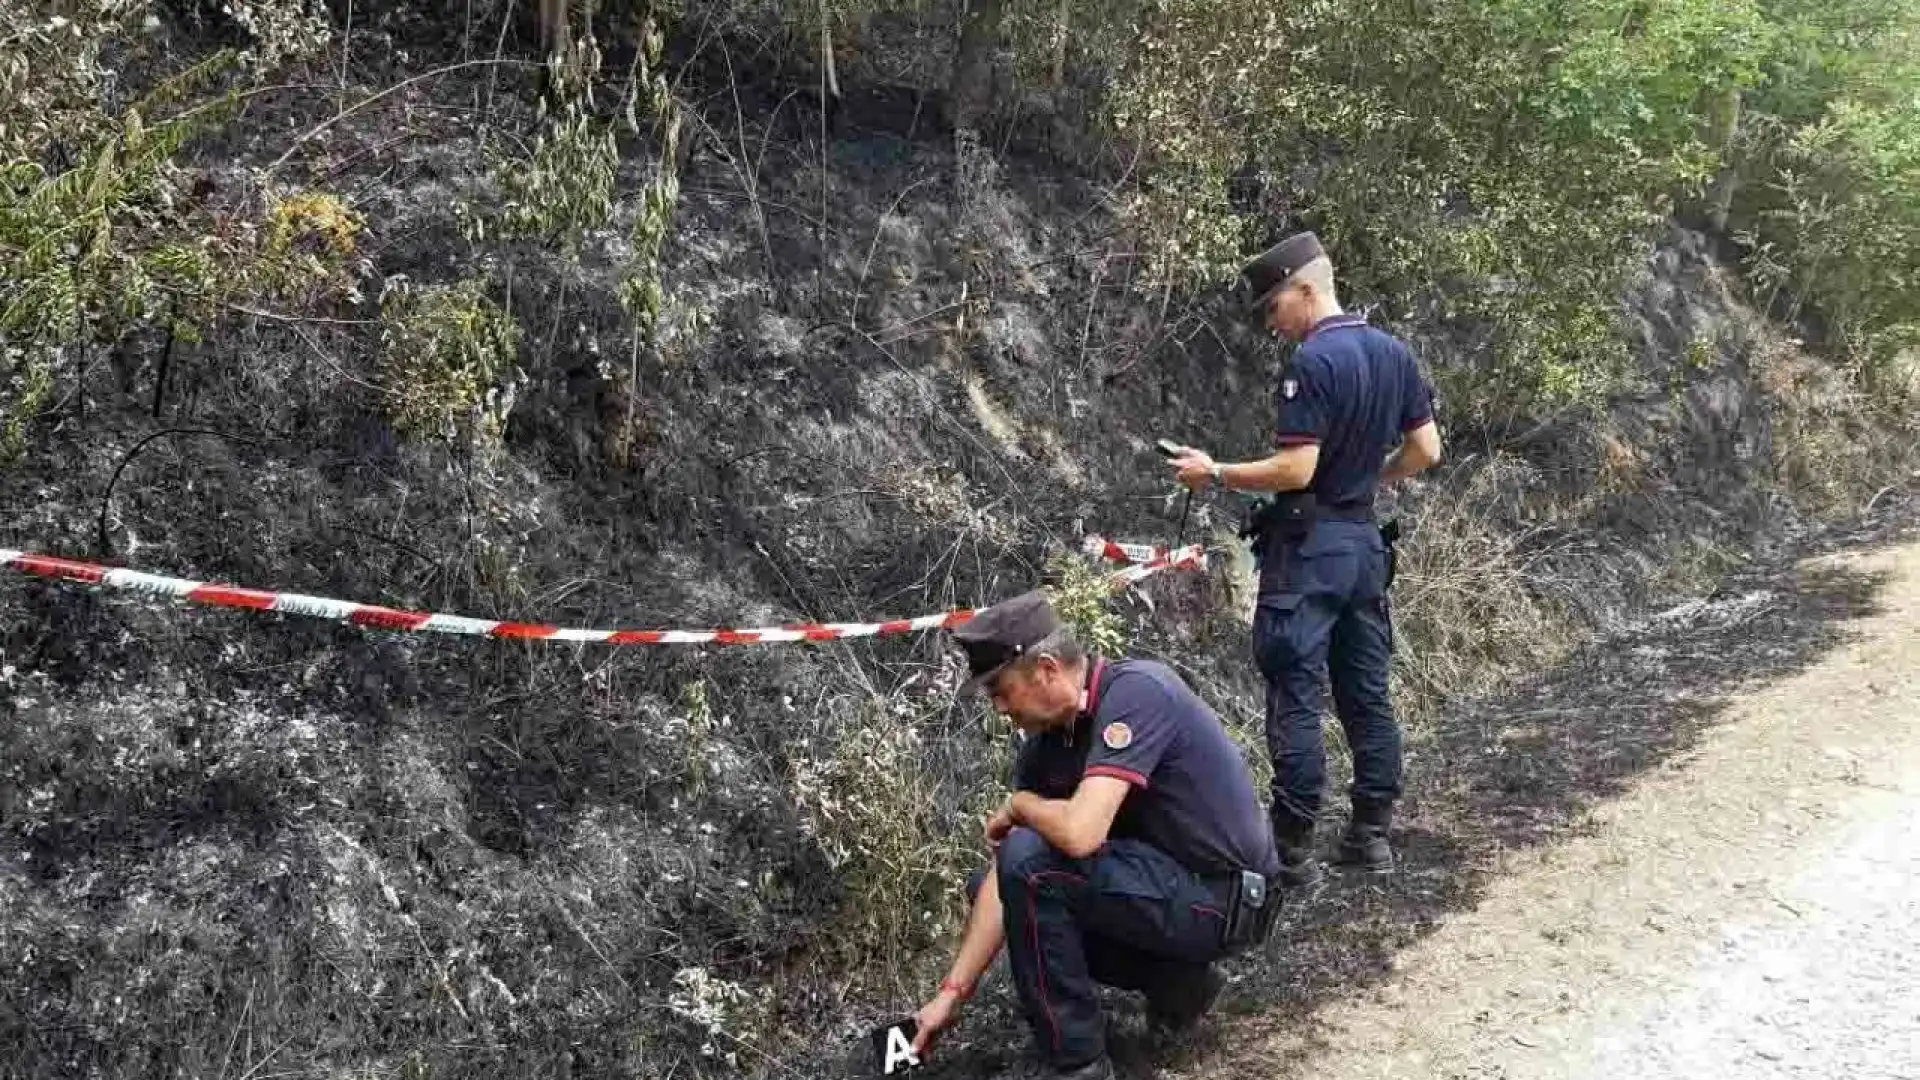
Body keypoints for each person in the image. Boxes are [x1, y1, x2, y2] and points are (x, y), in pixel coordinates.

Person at [910, 590, 1282, 1079]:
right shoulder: (1046, 748)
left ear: (1046, 668)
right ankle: (1176, 982)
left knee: (1032, 861)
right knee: (1001, 881)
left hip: (1230, 898)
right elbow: (1009, 880)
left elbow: (1080, 836)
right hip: (1166, 888)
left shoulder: (1136, 693)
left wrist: (1020, 806)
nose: (998, 708)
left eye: (1001, 690)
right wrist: (949, 996)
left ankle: (1078, 1065)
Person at [1167, 231, 1443, 885]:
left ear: (1305, 288)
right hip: (1363, 545)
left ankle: (1289, 850)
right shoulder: (1393, 353)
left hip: (1310, 553)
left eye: (1273, 307)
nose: (1272, 324)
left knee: (1295, 692)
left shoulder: (1312, 364)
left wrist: (1216, 473)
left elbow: (1296, 468)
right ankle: (1370, 834)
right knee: (1366, 692)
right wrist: (1373, 481)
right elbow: (1427, 450)